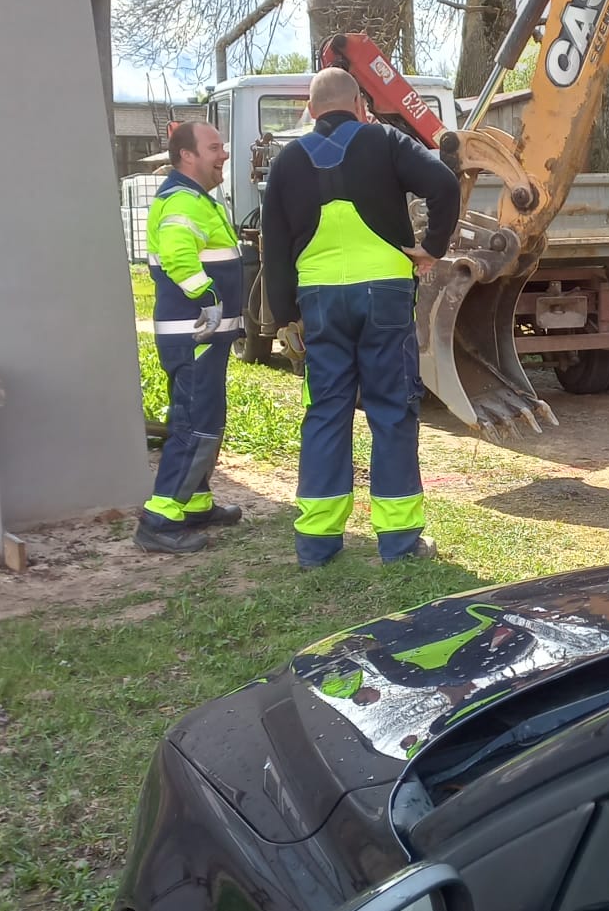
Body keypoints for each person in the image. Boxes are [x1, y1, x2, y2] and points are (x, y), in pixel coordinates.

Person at [262, 67, 460, 570]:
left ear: (311, 110)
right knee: (390, 410)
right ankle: (397, 542)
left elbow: (274, 246)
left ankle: (317, 544)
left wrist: (285, 316)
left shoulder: (287, 161)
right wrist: (430, 248)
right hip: (385, 296)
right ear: (358, 104)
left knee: (325, 411)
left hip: (320, 302)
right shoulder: (385, 141)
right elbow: (443, 184)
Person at [135, 120, 246, 555]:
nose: (223, 155)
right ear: (187, 155)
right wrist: (209, 296)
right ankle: (159, 519)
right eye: (215, 147)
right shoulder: (183, 200)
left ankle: (195, 503)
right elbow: (181, 257)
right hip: (196, 332)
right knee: (195, 424)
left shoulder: (195, 198)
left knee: (200, 416)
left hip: (198, 335)